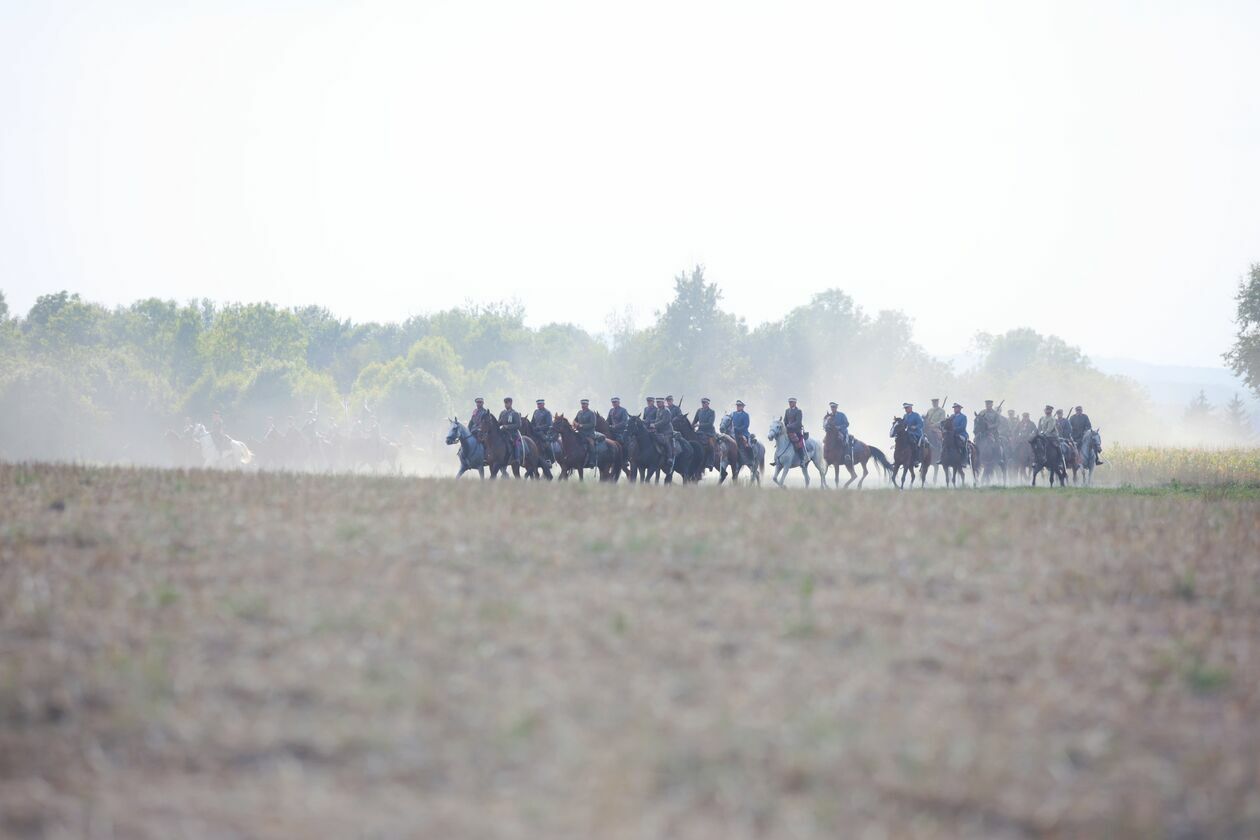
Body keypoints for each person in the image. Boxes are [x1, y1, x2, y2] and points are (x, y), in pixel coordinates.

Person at [777, 397, 805, 466]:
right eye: (789, 402)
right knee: (779, 441)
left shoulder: (799, 411)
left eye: (791, 402)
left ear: (795, 403)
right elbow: (785, 420)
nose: (790, 404)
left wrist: (790, 425)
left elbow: (798, 422)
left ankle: (802, 460)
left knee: (798, 443)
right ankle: (777, 459)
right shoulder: (787, 410)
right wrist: (785, 426)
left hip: (796, 430)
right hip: (788, 430)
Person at [574, 399, 599, 467]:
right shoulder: (579, 412)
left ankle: (592, 461)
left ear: (587, 405)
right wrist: (575, 423)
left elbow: (593, 424)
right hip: (580, 433)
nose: (583, 405)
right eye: (582, 404)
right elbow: (575, 420)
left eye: (584, 404)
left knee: (591, 445)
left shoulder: (591, 413)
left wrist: (582, 425)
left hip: (589, 434)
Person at [694, 397, 717, 467]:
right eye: (702, 403)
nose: (703, 404)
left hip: (709, 432)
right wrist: (691, 426)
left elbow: (710, 424)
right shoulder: (699, 411)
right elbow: (695, 420)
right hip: (700, 431)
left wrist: (699, 424)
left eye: (704, 403)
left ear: (708, 403)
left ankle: (711, 462)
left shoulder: (712, 412)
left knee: (711, 445)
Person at [499, 398, 523, 464]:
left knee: (516, 443)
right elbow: (499, 422)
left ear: (511, 403)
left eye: (507, 403)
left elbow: (518, 425)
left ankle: (517, 458)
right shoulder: (502, 413)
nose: (506, 404)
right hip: (503, 432)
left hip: (513, 433)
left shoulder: (515, 413)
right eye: (505, 403)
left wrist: (508, 426)